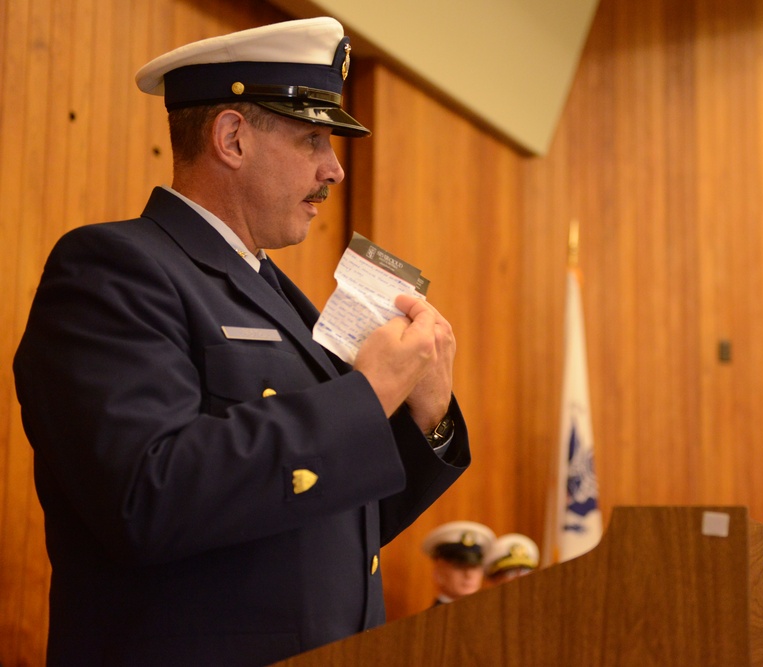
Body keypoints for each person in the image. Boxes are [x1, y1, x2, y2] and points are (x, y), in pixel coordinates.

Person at [13, 17, 470, 667]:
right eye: (313, 138)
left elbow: (324, 516)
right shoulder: (112, 267)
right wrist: (369, 393)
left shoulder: (274, 290)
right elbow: (148, 496)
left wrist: (427, 416)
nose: (334, 169)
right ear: (231, 137)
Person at [422, 521, 495, 605]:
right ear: (438, 572)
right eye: (459, 566)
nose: (469, 574)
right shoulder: (431, 617)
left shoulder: (490, 614)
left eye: (474, 567)